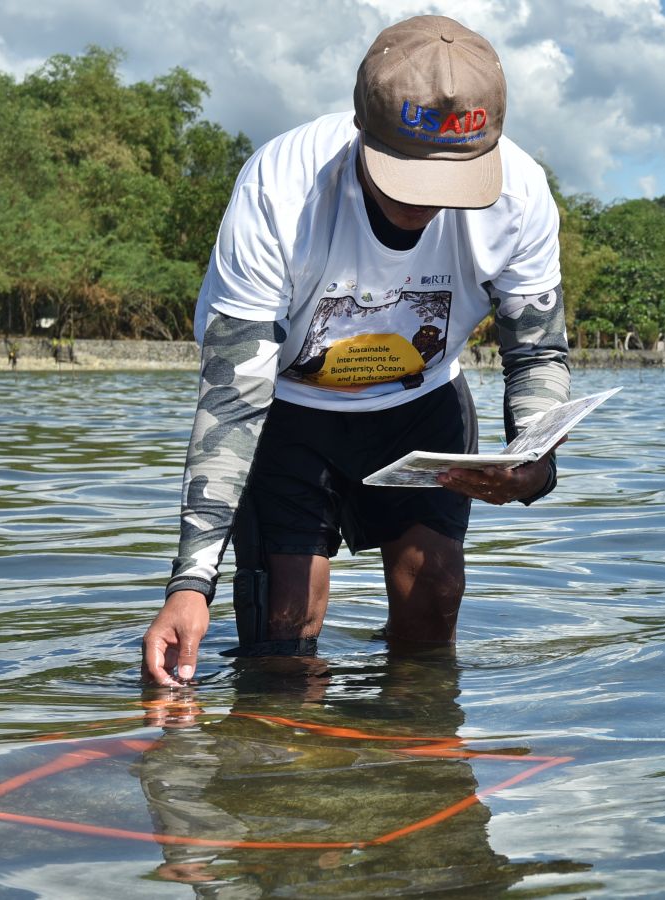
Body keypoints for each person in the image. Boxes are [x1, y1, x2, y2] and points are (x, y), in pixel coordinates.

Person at [142, 15, 570, 686]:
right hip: (288, 413)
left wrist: (536, 461)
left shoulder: (521, 193)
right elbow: (232, 395)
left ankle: (412, 767)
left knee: (434, 607)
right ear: (361, 127)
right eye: (407, 173)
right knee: (280, 648)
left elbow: (538, 350)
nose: (425, 202)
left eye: (450, 179)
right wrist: (190, 583)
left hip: (421, 409)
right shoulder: (279, 190)